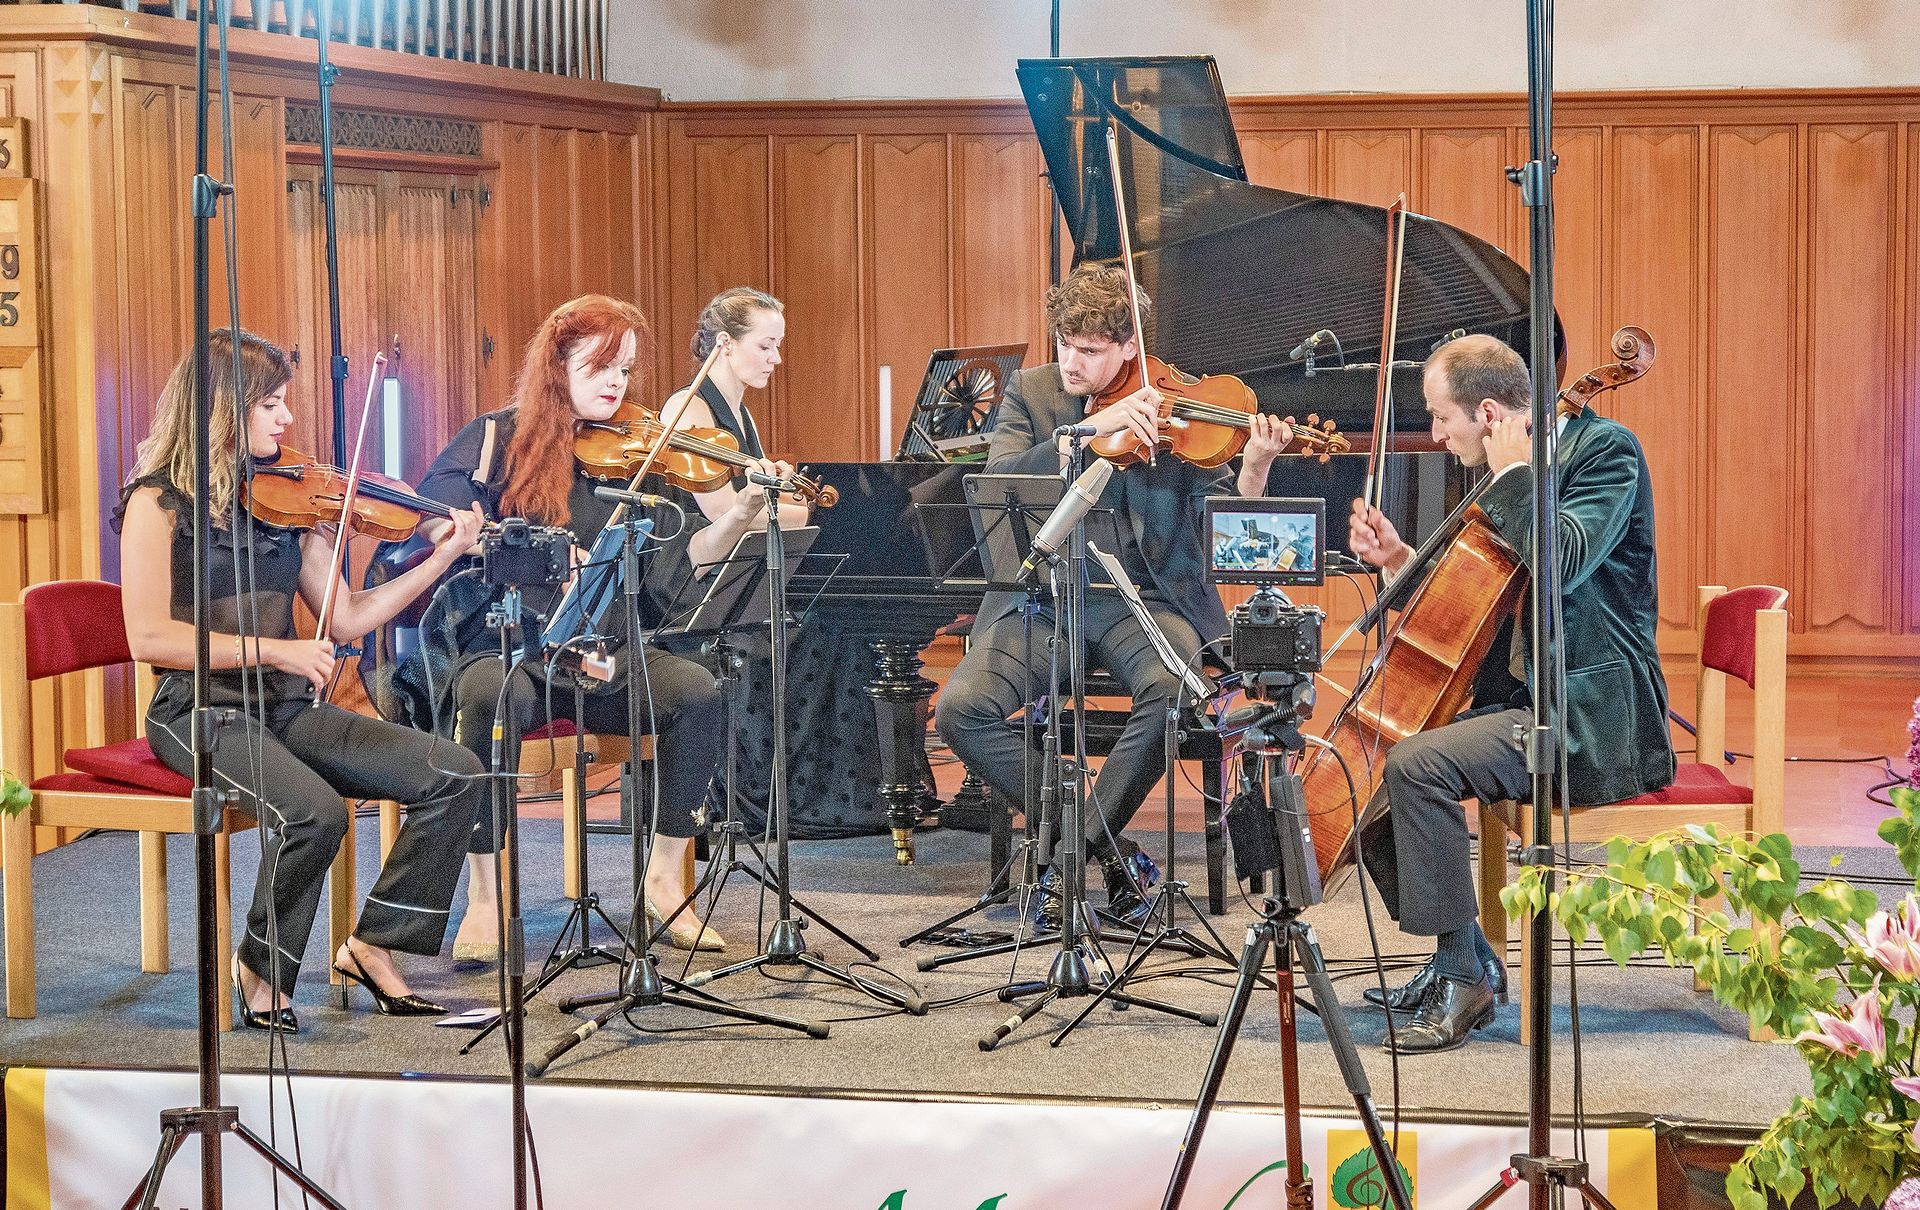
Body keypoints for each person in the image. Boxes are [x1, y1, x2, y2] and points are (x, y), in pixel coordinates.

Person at [118, 329, 489, 1032]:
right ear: (224, 410)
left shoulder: (287, 507)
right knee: (315, 813)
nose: (287, 420)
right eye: (271, 406)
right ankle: (261, 966)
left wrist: (440, 560)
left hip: (282, 708)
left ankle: (373, 942)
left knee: (456, 772)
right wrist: (279, 652)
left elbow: (346, 618)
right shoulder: (157, 503)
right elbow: (149, 638)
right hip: (196, 709)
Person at [934, 263, 1295, 930]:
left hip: (1148, 604)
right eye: (1064, 344)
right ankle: (1111, 850)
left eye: (1092, 350)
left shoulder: (1179, 400)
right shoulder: (1034, 393)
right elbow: (999, 476)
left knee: (1177, 693)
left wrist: (1255, 467)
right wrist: (1080, 438)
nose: (1072, 361)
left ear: (1131, 345)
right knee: (960, 711)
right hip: (1044, 599)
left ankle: (1072, 855)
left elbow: (1229, 534)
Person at [1346, 333, 1675, 1054]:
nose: (1435, 435)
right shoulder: (1507, 468)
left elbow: (1561, 563)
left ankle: (1464, 983)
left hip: (1582, 715)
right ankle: (1464, 959)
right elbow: (1485, 593)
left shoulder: (1605, 454)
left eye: (1442, 418)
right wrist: (1402, 558)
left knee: (1415, 767)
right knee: (1372, 796)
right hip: (1520, 700)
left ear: (1489, 413)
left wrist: (1519, 473)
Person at [415, 295, 753, 957]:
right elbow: (435, 508)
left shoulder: (638, 456)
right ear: (556, 365)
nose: (614, 384)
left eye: (624, 371)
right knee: (486, 696)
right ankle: (485, 897)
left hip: (603, 653)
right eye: (599, 366)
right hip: (516, 648)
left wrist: (739, 516)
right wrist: (494, 539)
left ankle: (663, 880)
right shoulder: (498, 438)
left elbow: (676, 578)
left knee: (698, 690)